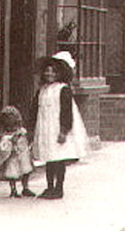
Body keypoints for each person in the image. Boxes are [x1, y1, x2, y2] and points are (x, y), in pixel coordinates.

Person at [32, 50, 88, 199]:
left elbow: (67, 112)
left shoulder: (63, 89)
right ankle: (49, 187)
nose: (49, 74)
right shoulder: (42, 90)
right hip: (45, 128)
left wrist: (64, 131)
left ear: (59, 73)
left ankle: (59, 188)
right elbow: (34, 110)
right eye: (47, 71)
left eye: (53, 71)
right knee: (49, 159)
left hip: (57, 129)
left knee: (59, 159)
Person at [0, 105, 35, 198]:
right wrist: (11, 143)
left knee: (26, 170)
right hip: (12, 158)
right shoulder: (5, 136)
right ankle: (13, 189)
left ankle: (25, 187)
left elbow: (26, 140)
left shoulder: (21, 131)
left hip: (23, 155)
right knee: (12, 173)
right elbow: (3, 147)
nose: (13, 128)